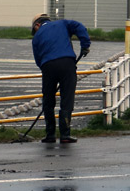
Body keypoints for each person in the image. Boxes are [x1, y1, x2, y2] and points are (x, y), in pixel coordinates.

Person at [31, 13, 90, 144]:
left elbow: (38, 59)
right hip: (67, 63)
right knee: (67, 99)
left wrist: (47, 70)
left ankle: (50, 134)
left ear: (37, 25)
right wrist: (85, 45)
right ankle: (65, 134)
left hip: (48, 66)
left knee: (48, 100)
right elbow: (79, 27)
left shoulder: (36, 38)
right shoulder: (63, 23)